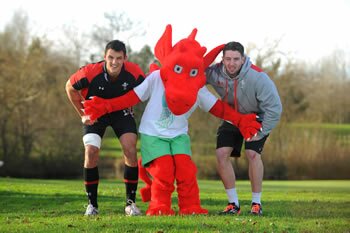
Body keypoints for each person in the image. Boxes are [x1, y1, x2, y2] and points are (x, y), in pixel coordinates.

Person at [83, 25, 262, 216]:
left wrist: (241, 120)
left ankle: (190, 207)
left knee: (186, 171)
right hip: (153, 134)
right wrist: (105, 105)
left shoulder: (196, 85)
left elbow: (217, 108)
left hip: (178, 135)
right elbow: (132, 97)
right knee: (164, 171)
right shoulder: (157, 77)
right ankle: (159, 206)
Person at [65, 40, 145, 216]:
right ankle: (92, 205)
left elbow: (143, 92)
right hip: (96, 113)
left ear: (125, 58)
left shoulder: (135, 73)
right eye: (110, 57)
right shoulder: (90, 72)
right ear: (104, 57)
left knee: (130, 148)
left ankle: (130, 204)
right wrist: (82, 114)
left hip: (121, 112)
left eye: (118, 58)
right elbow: (69, 87)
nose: (114, 62)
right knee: (91, 152)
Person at [206, 41, 282, 215]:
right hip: (233, 117)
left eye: (235, 59)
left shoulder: (258, 77)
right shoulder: (214, 73)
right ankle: (233, 204)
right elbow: (193, 75)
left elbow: (275, 108)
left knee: (252, 154)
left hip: (256, 118)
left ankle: (256, 204)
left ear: (243, 59)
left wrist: (261, 132)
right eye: (228, 59)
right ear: (222, 60)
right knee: (221, 154)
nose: (231, 63)